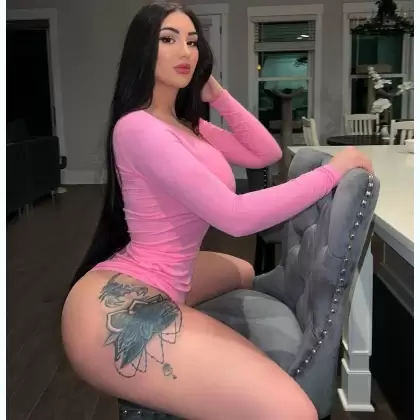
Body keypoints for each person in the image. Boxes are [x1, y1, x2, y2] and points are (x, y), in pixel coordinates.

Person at [61, 2, 373, 419]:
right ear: (143, 51)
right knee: (294, 411)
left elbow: (264, 152)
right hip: (116, 304)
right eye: (168, 39)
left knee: (243, 271)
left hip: (174, 274)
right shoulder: (137, 127)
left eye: (192, 41)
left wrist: (217, 94)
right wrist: (331, 172)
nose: (184, 52)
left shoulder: (186, 126)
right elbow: (235, 216)